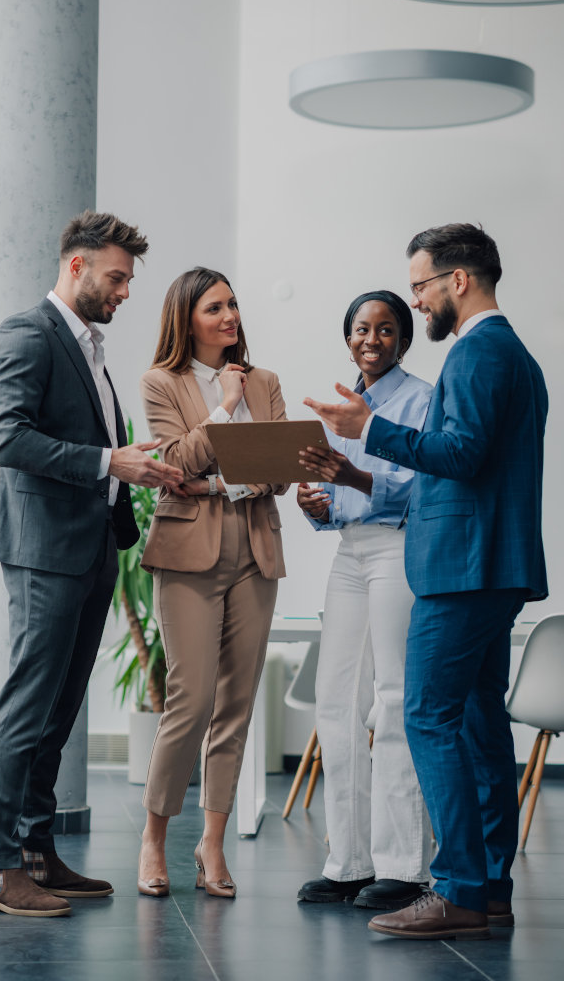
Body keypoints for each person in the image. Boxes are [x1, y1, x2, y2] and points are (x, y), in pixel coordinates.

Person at [304, 224, 548, 940]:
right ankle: (488, 886)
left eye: (420, 286)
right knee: (474, 724)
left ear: (459, 281)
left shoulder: (477, 353)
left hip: (462, 567)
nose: (417, 301)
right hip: (486, 565)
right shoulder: (509, 355)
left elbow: (461, 455)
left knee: (425, 716)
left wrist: (368, 426)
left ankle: (460, 889)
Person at [0, 210, 183, 918]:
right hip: (43, 553)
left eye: (127, 280)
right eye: (117, 278)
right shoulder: (26, 334)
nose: (124, 291)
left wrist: (131, 475)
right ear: (76, 265)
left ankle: (35, 853)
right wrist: (106, 461)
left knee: (58, 714)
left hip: (90, 548)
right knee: (26, 709)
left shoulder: (86, 346)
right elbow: (8, 440)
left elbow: (90, 446)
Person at [137, 266, 289, 898]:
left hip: (255, 549)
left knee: (236, 704)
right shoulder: (162, 382)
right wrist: (225, 408)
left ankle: (212, 844)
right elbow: (174, 465)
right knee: (190, 700)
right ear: (186, 318)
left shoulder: (268, 381)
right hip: (188, 553)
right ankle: (153, 838)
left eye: (233, 306)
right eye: (215, 308)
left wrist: (225, 478)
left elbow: (279, 472)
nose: (229, 317)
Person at [296, 291, 433, 911]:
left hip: (399, 551)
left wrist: (349, 477)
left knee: (395, 698)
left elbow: (420, 488)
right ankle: (348, 862)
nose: (370, 339)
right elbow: (338, 500)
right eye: (360, 328)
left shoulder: (422, 399)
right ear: (346, 337)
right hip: (350, 551)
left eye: (385, 329)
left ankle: (403, 867)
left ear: (404, 338)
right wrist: (316, 506)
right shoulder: (337, 406)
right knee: (336, 700)